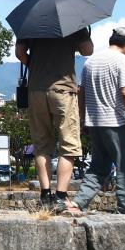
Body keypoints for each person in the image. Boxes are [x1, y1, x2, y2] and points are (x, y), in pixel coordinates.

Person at [63, 27, 125, 216]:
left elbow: (81, 93)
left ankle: (78, 203)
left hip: (94, 123)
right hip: (116, 123)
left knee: (98, 167)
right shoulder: (123, 61)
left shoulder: (91, 61)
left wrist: (83, 120)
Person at [16, 28, 94, 211]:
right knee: (69, 144)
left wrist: (34, 66)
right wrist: (85, 32)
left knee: (41, 144)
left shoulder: (31, 21)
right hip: (63, 89)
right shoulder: (73, 21)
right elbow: (88, 50)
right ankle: (60, 196)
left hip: (35, 90)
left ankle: (45, 195)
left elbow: (19, 53)